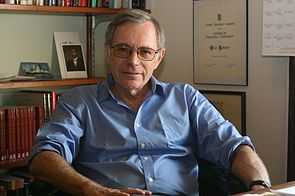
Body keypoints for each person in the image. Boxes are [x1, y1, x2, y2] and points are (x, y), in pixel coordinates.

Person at [29, 9, 270, 196]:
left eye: (145, 52)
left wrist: (260, 187)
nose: (133, 61)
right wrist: (90, 190)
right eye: (123, 49)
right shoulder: (79, 101)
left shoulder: (185, 98)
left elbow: (235, 146)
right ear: (108, 53)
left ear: (158, 57)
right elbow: (44, 157)